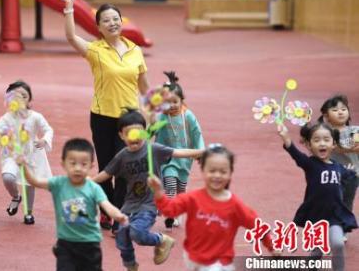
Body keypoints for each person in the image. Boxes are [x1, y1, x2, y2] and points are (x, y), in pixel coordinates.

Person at [64, 0, 149, 231]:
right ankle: (105, 210)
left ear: (122, 22)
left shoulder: (136, 51)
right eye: (106, 21)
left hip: (130, 120)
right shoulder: (95, 51)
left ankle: (119, 214)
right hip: (102, 116)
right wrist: (69, 5)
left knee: (125, 167)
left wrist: (153, 115)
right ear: (99, 27)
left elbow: (145, 88)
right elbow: (71, 37)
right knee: (106, 168)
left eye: (115, 19)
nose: (112, 23)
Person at [92, 109, 204, 271]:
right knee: (122, 236)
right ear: (121, 136)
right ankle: (131, 265)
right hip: (129, 204)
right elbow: (106, 173)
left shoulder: (154, 150)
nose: (135, 136)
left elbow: (178, 152)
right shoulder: (122, 156)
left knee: (137, 233)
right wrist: (88, 182)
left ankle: (161, 239)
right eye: (129, 133)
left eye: (139, 132)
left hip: (149, 204)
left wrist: (201, 152)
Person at [148, 145, 275, 271]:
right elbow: (169, 210)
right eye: (212, 170)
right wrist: (159, 192)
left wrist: (271, 246)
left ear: (230, 173)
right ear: (203, 171)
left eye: (223, 171)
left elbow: (256, 225)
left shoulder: (235, 205)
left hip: (221, 262)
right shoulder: (193, 198)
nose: (217, 175)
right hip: (194, 257)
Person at [20, 138, 127, 271]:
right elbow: (35, 182)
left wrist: (118, 215)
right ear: (63, 164)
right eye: (72, 163)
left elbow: (106, 205)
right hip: (65, 244)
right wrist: (23, 166)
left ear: (91, 166)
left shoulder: (93, 188)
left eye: (83, 164)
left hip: (90, 244)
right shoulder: (58, 183)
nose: (78, 168)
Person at [277, 122, 357, 271]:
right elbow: (295, 153)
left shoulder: (339, 167)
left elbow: (350, 176)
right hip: (316, 215)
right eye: (317, 140)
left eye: (326, 139)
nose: (322, 143)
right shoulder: (310, 164)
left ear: (333, 144)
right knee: (317, 249)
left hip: (335, 215)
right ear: (308, 145)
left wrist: (352, 172)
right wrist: (285, 137)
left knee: (338, 244)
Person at [0, 80, 53, 224]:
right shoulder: (7, 117)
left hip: (31, 155)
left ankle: (28, 213)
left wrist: (44, 140)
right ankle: (16, 196)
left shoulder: (36, 116)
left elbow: (48, 130)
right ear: (9, 99)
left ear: (30, 100)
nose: (20, 99)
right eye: (16, 96)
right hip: (12, 154)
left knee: (29, 184)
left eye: (24, 96)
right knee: (8, 178)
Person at [155, 71, 205, 229]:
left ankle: (178, 210)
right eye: (167, 102)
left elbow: (197, 133)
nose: (172, 105)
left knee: (181, 188)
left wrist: (200, 151)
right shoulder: (162, 117)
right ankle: (170, 214)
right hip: (167, 158)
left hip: (185, 158)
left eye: (175, 102)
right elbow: (152, 131)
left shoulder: (188, 115)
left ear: (182, 100)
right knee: (169, 184)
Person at [319, 94, 359, 212]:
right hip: (330, 175)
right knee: (330, 202)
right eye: (335, 110)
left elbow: (357, 146)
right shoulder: (325, 132)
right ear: (326, 116)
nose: (340, 112)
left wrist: (342, 149)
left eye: (343, 109)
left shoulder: (355, 130)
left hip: (351, 174)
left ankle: (342, 228)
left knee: (347, 202)